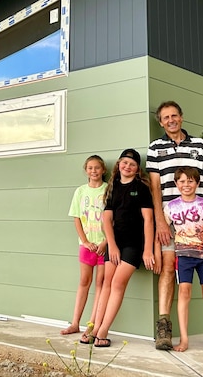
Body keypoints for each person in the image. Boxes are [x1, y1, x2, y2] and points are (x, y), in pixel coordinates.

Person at [147, 100, 203, 351]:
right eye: (165, 117)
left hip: (201, 220)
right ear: (160, 122)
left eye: (174, 115)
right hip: (170, 220)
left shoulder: (199, 145)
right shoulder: (155, 148)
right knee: (167, 269)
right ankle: (164, 327)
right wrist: (160, 222)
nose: (170, 120)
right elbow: (155, 186)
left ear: (182, 117)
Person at [81, 149, 154, 348]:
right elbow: (107, 219)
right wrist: (111, 245)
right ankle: (93, 328)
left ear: (137, 169)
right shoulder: (113, 187)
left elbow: (148, 220)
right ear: (119, 165)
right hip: (115, 243)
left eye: (132, 164)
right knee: (105, 284)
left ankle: (103, 331)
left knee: (117, 284)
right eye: (124, 162)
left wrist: (148, 250)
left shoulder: (141, 187)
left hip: (133, 244)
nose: (127, 166)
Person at [164, 167, 203, 354]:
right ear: (176, 184)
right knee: (184, 293)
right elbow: (163, 231)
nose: (186, 185)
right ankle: (184, 339)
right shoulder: (171, 207)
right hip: (183, 257)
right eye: (181, 181)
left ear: (197, 183)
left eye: (190, 181)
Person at [61, 155, 108, 336]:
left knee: (100, 284)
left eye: (97, 168)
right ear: (86, 170)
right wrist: (86, 241)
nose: (94, 171)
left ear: (103, 170)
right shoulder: (80, 191)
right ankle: (75, 323)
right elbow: (77, 218)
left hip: (104, 245)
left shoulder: (108, 190)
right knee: (84, 282)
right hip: (86, 245)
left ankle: (92, 324)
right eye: (90, 168)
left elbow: (113, 220)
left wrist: (104, 242)